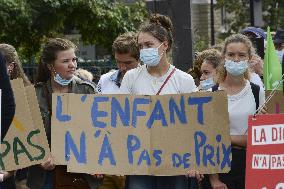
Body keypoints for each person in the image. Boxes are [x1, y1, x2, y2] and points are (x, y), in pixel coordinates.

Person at [120, 13, 198, 189]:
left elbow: (194, 123)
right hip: (140, 160)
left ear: (165, 45)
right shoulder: (131, 77)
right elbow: (121, 118)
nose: (144, 49)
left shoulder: (184, 80)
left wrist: (194, 159)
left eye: (149, 44)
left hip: (175, 160)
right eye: (140, 46)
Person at [26, 38, 101, 189]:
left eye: (74, 59)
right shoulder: (34, 94)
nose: (72, 65)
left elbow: (102, 131)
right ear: (50, 65)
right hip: (45, 177)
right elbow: (23, 133)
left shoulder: (88, 90)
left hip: (82, 174)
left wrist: (98, 163)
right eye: (65, 61)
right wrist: (38, 157)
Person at [202, 34, 265, 189]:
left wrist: (225, 137)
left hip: (249, 166)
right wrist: (214, 180)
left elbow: (258, 139)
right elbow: (206, 140)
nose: (236, 59)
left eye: (241, 55)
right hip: (219, 167)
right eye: (231, 54)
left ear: (249, 58)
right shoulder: (211, 93)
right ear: (224, 57)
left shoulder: (257, 92)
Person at [96, 32, 140, 189]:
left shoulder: (149, 82)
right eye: (118, 62)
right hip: (109, 160)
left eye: (128, 63)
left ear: (139, 59)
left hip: (139, 161)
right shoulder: (105, 80)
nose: (122, 67)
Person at [0, 43, 32, 189]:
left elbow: (25, 139)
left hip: (16, 172)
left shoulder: (23, 94)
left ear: (10, 66)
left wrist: (9, 172)